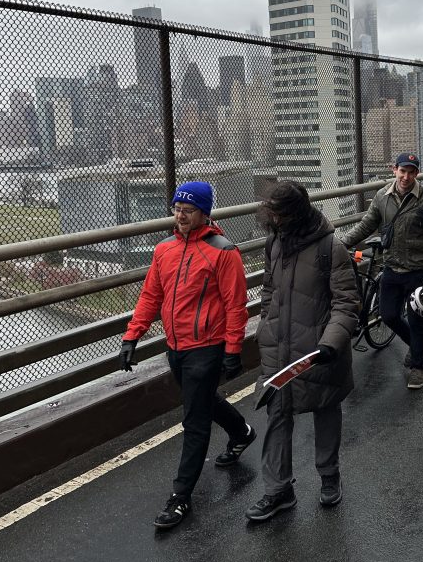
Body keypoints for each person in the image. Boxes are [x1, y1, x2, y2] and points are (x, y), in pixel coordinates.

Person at [118, 181, 254, 530]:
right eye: (177, 208)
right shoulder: (164, 249)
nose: (180, 215)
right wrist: (132, 335)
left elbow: (235, 306)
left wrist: (232, 349)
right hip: (175, 347)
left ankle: (180, 497)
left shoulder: (224, 252)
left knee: (194, 421)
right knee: (203, 401)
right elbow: (151, 295)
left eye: (188, 210)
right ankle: (242, 433)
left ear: (204, 213)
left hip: (206, 347)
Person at [245, 181, 358, 521]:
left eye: (280, 215)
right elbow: (269, 290)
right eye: (272, 214)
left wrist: (331, 342)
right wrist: (266, 324)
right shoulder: (274, 243)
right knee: (277, 415)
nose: (274, 220)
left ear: (297, 213)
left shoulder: (330, 247)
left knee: (326, 412)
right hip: (278, 351)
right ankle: (278, 490)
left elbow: (347, 303)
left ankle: (329, 476)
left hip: (319, 351)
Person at [340, 152, 423, 389]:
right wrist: (341, 245)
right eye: (403, 171)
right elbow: (366, 225)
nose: (406, 176)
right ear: (394, 170)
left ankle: (418, 367)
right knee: (389, 315)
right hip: (391, 265)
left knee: (416, 318)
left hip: (418, 269)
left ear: (417, 174)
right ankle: (416, 346)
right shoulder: (382, 197)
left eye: (411, 172)